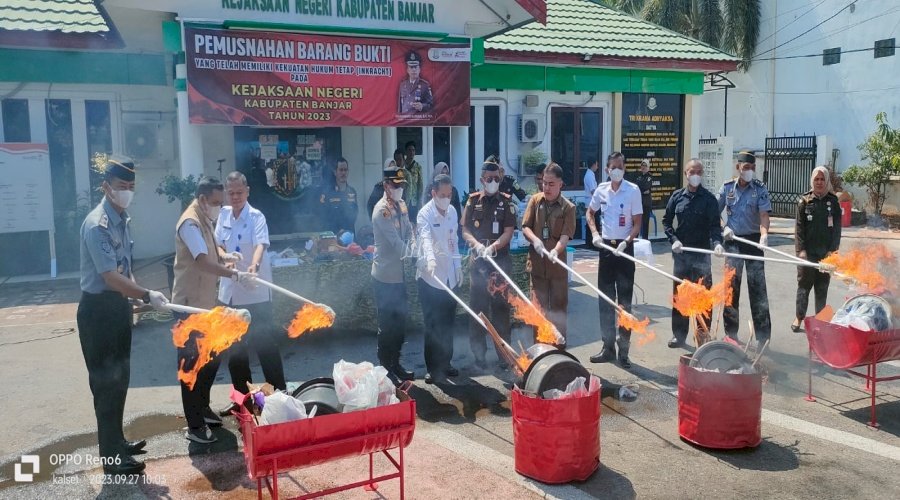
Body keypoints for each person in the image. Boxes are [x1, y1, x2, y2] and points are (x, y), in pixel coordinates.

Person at [78, 155, 169, 475]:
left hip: (117, 308)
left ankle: (116, 441)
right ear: (106, 187)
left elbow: (124, 272)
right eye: (121, 186)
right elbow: (110, 277)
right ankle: (112, 458)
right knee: (106, 384)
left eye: (131, 187)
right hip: (98, 311)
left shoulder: (122, 219)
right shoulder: (97, 224)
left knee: (120, 381)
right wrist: (145, 294)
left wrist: (138, 299)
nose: (127, 191)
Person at [173, 176, 255, 443]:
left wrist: (225, 256)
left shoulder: (204, 217)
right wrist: (233, 275)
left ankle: (203, 406)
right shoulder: (189, 222)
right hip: (188, 307)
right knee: (191, 366)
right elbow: (201, 260)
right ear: (203, 199)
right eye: (218, 202)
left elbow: (212, 249)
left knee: (214, 355)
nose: (221, 207)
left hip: (205, 305)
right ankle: (195, 426)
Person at [215, 172, 286, 416]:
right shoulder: (223, 214)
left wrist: (253, 266)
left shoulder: (256, 216)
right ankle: (242, 403)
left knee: (265, 345)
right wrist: (224, 256)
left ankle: (280, 397)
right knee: (235, 352)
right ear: (227, 193)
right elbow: (217, 243)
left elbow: (260, 245)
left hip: (256, 293)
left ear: (247, 191)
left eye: (239, 192)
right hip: (231, 293)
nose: (235, 197)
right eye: (231, 193)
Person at [586, 152, 643, 369]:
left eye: (620, 166)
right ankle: (607, 347)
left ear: (624, 168)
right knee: (606, 301)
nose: (616, 170)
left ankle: (624, 350)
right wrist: (594, 234)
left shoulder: (633, 190)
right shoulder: (602, 190)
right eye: (613, 167)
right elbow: (590, 213)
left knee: (624, 302)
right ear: (607, 169)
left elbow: (637, 223)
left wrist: (627, 241)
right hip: (606, 248)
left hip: (624, 249)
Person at [461, 158, 517, 370]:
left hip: (499, 265)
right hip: (478, 267)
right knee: (478, 312)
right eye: (489, 179)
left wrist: (493, 247)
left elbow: (508, 232)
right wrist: (476, 245)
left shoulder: (506, 202)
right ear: (482, 179)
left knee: (501, 312)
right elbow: (465, 229)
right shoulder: (473, 200)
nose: (493, 182)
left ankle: (504, 356)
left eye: (496, 178)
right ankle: (479, 356)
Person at [663, 159, 725, 348]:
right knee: (681, 295)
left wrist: (717, 244)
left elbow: (715, 226)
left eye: (699, 171)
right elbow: (666, 222)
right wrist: (673, 240)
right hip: (681, 254)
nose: (695, 175)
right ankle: (679, 335)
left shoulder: (709, 199)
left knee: (703, 297)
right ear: (686, 174)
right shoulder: (677, 197)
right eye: (692, 171)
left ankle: (702, 335)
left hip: (701, 255)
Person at [717, 151, 772, 344]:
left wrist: (764, 234)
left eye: (752, 168)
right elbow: (715, 213)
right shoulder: (726, 188)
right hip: (733, 242)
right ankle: (731, 335)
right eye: (745, 167)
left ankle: (763, 338)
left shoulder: (760, 189)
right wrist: (724, 228)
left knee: (758, 289)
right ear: (738, 167)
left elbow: (764, 215)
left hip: (754, 241)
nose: (749, 171)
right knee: (731, 289)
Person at [521, 162, 576, 346]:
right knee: (538, 310)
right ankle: (540, 350)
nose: (546, 187)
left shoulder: (568, 208)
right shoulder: (535, 201)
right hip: (537, 267)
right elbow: (526, 227)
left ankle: (559, 349)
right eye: (544, 183)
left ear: (561, 184)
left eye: (551, 184)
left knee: (559, 309)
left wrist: (556, 250)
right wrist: (535, 240)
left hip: (557, 267)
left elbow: (565, 235)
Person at [372, 160, 415, 384]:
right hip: (385, 277)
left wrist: (417, 245)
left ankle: (396, 362)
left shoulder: (402, 205)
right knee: (387, 325)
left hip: (399, 277)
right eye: (395, 185)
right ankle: (385, 368)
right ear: (386, 185)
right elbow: (396, 242)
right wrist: (414, 255)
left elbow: (409, 231)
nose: (399, 188)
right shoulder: (382, 211)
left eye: (401, 185)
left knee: (400, 322)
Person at [416, 174, 463, 384]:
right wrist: (431, 260)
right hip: (430, 278)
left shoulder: (452, 212)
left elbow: (454, 240)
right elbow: (425, 239)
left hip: (449, 276)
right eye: (442, 195)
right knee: (433, 324)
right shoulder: (424, 214)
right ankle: (432, 367)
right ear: (433, 193)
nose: (446, 198)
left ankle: (446, 362)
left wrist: (458, 265)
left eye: (449, 194)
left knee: (448, 322)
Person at [792, 166, 842, 332]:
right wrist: (801, 251)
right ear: (812, 180)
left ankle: (819, 320)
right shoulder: (804, 201)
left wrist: (832, 251)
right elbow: (799, 228)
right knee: (804, 287)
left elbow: (836, 229)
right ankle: (799, 317)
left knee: (822, 288)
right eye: (816, 179)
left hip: (825, 254)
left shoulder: (833, 202)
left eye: (822, 179)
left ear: (826, 180)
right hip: (807, 254)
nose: (819, 182)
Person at [319, 157, 358, 236]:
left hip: (349, 237)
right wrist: (337, 230)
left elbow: (354, 214)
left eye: (345, 170)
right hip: (332, 237)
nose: (343, 173)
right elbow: (323, 216)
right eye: (341, 170)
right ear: (335, 172)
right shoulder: (326, 193)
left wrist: (345, 231)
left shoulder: (352, 192)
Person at [366, 149, 406, 217]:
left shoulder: (400, 185)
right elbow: (370, 205)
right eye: (389, 168)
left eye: (393, 168)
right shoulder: (379, 187)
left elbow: (404, 205)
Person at [403, 141, 424, 219]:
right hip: (404, 200)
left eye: (413, 150)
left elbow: (420, 185)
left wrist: (419, 201)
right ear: (406, 151)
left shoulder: (418, 167)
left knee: (413, 222)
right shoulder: (402, 166)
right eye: (409, 150)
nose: (411, 152)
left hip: (414, 201)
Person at [635, 159, 653, 239]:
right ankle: (635, 238)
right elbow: (636, 187)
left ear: (648, 167)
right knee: (636, 221)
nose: (644, 167)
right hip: (638, 202)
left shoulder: (649, 177)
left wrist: (640, 189)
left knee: (645, 222)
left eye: (645, 166)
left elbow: (646, 187)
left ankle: (645, 239)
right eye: (642, 165)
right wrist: (642, 190)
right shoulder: (638, 176)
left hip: (646, 203)